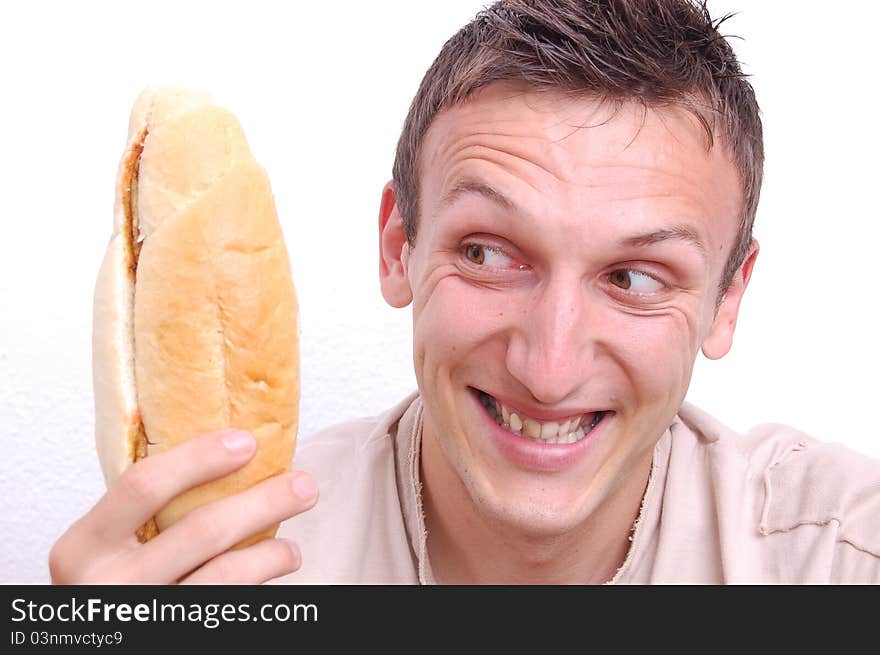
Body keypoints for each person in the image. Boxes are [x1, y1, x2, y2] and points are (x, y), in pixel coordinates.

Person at [50, 0, 880, 585]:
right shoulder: (220, 569)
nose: (549, 368)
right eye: (488, 253)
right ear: (398, 246)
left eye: (632, 278)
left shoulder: (839, 556)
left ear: (727, 299)